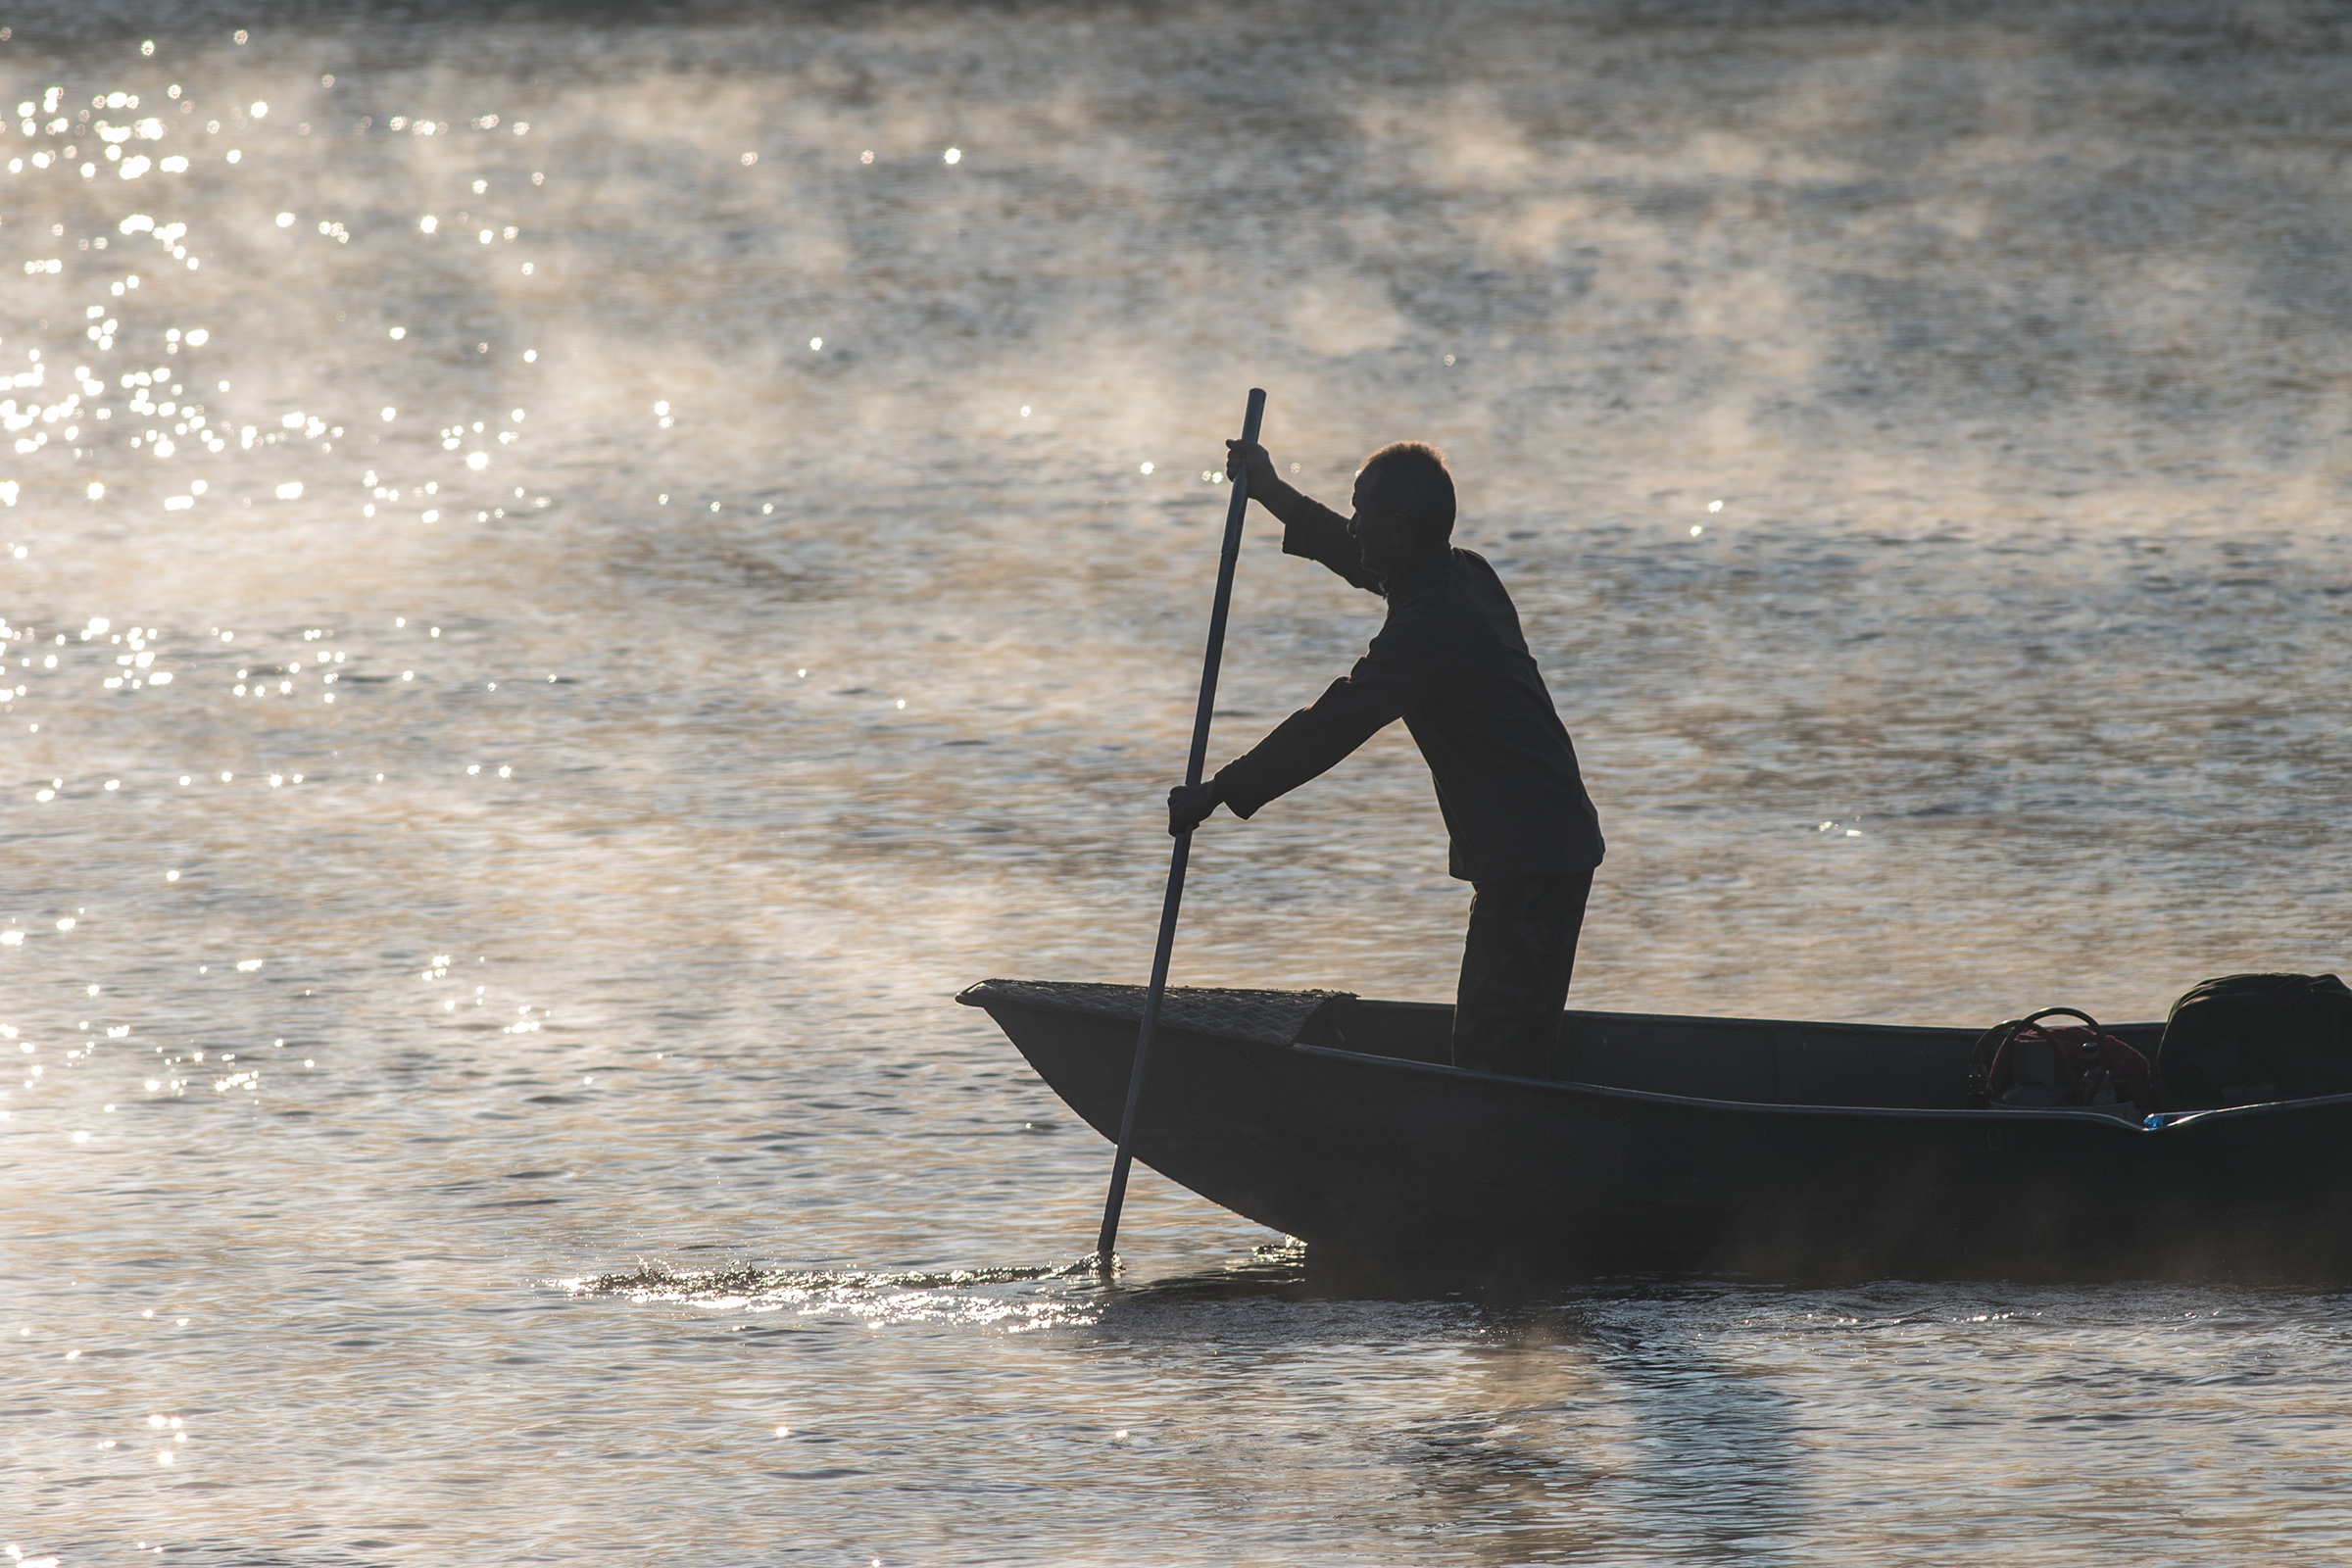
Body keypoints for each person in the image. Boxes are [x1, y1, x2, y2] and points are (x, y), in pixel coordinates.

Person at [1167, 437, 1605, 1078]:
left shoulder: (1433, 621)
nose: (1353, 525)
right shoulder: (1458, 572)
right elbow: (1353, 553)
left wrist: (1221, 790)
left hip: (1533, 858)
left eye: (1361, 511)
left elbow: (1337, 721)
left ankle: (1508, 1161)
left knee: (1494, 1061)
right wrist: (1268, 490)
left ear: (1397, 529)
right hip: (1537, 848)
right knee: (1499, 1051)